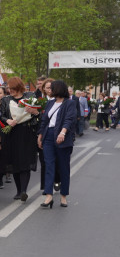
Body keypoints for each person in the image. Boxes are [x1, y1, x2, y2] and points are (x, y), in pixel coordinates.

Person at [38, 80, 78, 209]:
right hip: (48, 136)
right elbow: (44, 120)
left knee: (63, 167)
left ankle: (63, 196)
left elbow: (69, 119)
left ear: (58, 89)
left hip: (62, 137)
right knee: (49, 165)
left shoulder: (69, 103)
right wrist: (40, 136)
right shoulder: (50, 103)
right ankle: (48, 195)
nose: (49, 91)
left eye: (51, 88)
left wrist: (63, 132)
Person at [1, 77, 38, 202]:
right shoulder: (6, 100)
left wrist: (33, 111)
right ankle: (18, 191)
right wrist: (7, 120)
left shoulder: (30, 96)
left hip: (26, 132)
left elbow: (37, 112)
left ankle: (23, 191)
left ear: (19, 87)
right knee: (14, 162)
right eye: (9, 89)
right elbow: (1, 115)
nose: (10, 91)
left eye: (13, 89)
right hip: (11, 133)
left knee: (25, 162)